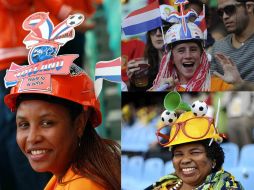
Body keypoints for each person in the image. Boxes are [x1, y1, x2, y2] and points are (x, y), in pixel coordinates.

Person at [3, 12, 120, 190]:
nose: (33, 137)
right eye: (24, 125)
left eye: (47, 123)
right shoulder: (68, 176)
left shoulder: (82, 185)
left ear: (80, 122)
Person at [145, 91, 244, 189]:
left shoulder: (228, 187)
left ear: (213, 158)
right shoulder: (165, 183)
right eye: (178, 154)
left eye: (195, 152)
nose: (185, 160)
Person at [151, 1, 243, 91]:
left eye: (193, 49)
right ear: (172, 58)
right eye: (181, 50)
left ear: (202, 55)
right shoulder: (163, 88)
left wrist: (239, 83)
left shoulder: (219, 85)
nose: (188, 56)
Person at [211, 0, 254, 82]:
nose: (225, 16)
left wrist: (240, 83)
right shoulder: (218, 47)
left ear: (249, 7)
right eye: (220, 13)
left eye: (229, 9)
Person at [126, 24, 170, 91]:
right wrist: (133, 83)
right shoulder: (145, 65)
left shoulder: (182, 63)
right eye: (153, 29)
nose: (158, 34)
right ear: (149, 35)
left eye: (163, 28)